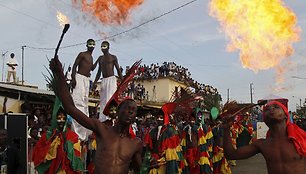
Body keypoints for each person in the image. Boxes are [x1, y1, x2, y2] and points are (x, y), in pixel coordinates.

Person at [49, 56, 142, 174]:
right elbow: (70, 108)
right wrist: (59, 74)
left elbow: (139, 170)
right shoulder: (102, 129)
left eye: (133, 110)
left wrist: (149, 166)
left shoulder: (136, 143)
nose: (130, 112)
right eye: (127, 108)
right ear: (118, 112)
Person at [222, 101, 306, 174]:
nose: (271, 109)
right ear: (264, 119)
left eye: (276, 107)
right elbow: (231, 154)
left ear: (286, 115)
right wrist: (226, 128)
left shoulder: (301, 139)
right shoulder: (262, 144)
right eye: (267, 109)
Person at [70, 39, 99, 141]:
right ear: (87, 45)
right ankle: (75, 133)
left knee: (84, 105)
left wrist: (99, 59)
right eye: (89, 44)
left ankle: (83, 134)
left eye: (93, 44)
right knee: (78, 103)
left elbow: (92, 69)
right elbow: (74, 66)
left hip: (86, 81)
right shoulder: (82, 54)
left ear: (94, 46)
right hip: (79, 78)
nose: (91, 46)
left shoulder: (91, 57)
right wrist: (73, 78)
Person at [92, 41, 123, 122]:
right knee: (103, 100)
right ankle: (102, 119)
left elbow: (118, 70)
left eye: (104, 46)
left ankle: (111, 119)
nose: (103, 48)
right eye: (102, 47)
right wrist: (95, 82)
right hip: (104, 80)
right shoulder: (100, 58)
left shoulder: (113, 57)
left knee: (110, 99)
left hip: (111, 80)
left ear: (108, 47)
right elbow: (99, 72)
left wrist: (123, 81)